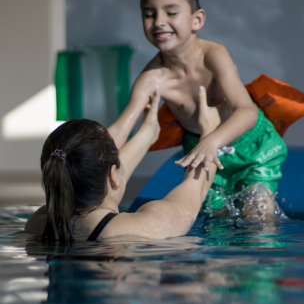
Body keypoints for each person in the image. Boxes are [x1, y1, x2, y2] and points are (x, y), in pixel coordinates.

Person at [108, 0, 287, 217]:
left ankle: (264, 252)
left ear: (197, 20)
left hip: (252, 145)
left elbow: (246, 112)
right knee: (218, 224)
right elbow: (120, 130)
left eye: (171, 12)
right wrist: (88, 158)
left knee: (257, 215)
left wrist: (212, 141)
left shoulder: (214, 55)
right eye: (149, 14)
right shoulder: (152, 78)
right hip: (200, 148)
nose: (159, 21)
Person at [25, 87, 218, 242]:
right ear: (112, 175)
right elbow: (197, 189)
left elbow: (90, 170)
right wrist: (211, 131)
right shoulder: (138, 227)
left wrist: (147, 134)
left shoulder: (37, 224)